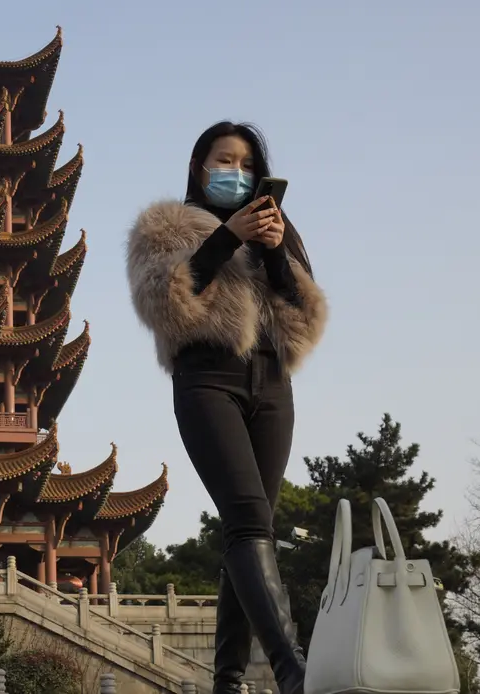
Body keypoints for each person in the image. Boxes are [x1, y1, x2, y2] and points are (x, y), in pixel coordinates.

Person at [125, 121, 328, 694]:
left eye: (245, 164)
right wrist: (227, 237)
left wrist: (273, 252)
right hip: (206, 379)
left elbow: (304, 316)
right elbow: (165, 300)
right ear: (199, 166)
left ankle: (229, 681)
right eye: (224, 160)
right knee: (245, 519)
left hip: (272, 384)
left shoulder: (279, 233)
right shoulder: (163, 227)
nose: (234, 172)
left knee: (255, 528)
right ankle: (293, 671)